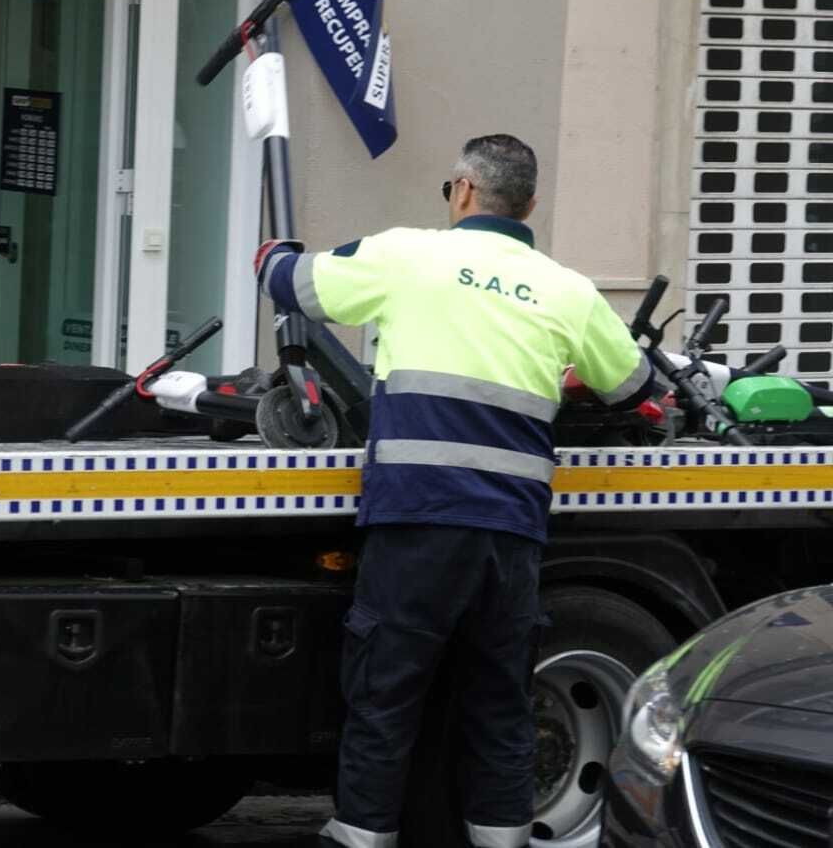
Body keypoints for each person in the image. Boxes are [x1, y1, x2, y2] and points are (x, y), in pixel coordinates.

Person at [254, 134, 653, 848]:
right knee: (500, 709)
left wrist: (273, 251)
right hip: (511, 536)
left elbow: (294, 285)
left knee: (385, 700)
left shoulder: (409, 255)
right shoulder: (566, 289)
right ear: (529, 205)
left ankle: (362, 839)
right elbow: (632, 385)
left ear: (463, 191)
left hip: (418, 524)